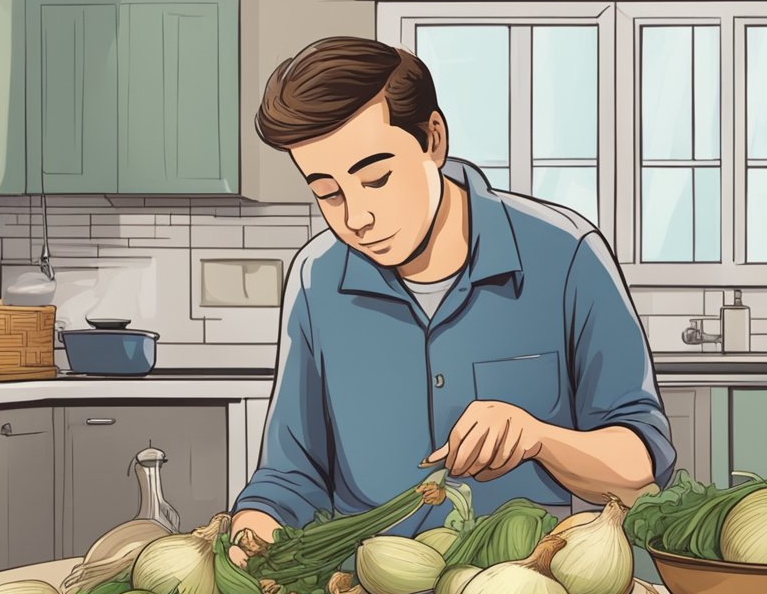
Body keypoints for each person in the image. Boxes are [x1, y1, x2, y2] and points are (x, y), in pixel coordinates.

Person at [229, 36, 674, 562]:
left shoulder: (566, 254)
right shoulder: (316, 278)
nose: (356, 217)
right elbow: (290, 476)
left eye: (376, 178)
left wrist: (537, 438)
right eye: (327, 192)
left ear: (433, 140)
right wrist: (249, 539)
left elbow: (641, 471)